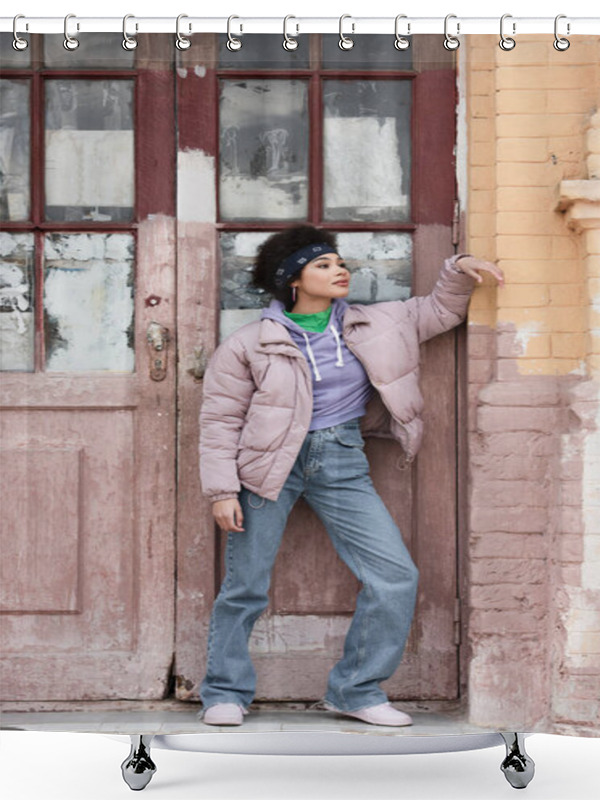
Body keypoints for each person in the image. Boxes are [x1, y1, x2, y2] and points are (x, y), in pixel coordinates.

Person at [197, 224, 504, 727]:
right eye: (322, 264)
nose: (339, 270)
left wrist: (459, 270)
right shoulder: (250, 343)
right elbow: (220, 419)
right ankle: (224, 692)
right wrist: (222, 490)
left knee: (394, 576)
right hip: (267, 464)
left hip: (341, 460)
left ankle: (356, 690)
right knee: (245, 584)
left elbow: (441, 310)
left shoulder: (377, 322)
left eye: (339, 262)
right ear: (292, 280)